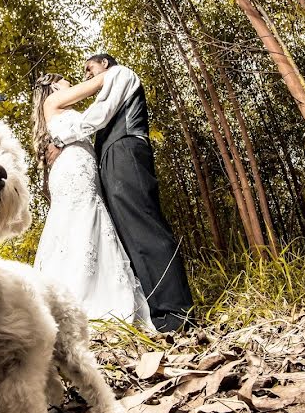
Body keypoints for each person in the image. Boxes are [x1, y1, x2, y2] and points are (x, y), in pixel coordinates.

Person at [44, 54, 194, 332]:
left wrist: (59, 138)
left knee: (144, 226)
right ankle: (160, 313)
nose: (87, 76)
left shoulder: (120, 74)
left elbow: (99, 115)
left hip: (126, 150)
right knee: (129, 235)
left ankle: (177, 313)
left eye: (90, 68)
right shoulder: (78, 95)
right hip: (110, 159)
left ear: (105, 64)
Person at [31, 72, 152, 328]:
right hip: (73, 169)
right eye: (65, 79)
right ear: (54, 85)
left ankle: (83, 299)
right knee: (81, 223)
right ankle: (81, 303)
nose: (70, 81)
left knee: (85, 226)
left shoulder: (58, 109)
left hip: (80, 166)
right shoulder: (53, 101)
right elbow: (97, 84)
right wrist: (108, 71)